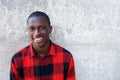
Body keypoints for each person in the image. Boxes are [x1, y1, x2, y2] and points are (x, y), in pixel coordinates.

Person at [10, 11, 76, 80]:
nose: (36, 33)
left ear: (50, 29)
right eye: (32, 29)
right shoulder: (17, 59)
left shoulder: (66, 57)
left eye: (42, 28)